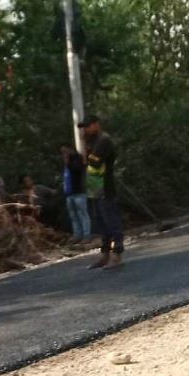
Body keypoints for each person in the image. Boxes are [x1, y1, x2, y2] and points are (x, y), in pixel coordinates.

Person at [79, 115, 124, 270]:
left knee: (111, 220)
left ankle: (117, 253)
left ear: (97, 124)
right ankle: (105, 254)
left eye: (88, 126)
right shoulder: (93, 141)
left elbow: (93, 162)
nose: (86, 130)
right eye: (84, 127)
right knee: (101, 222)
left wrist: (85, 148)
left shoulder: (104, 140)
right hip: (95, 187)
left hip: (105, 186)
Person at [60, 144, 90, 239]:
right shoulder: (66, 162)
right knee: (73, 216)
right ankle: (77, 234)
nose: (64, 154)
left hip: (79, 191)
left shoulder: (78, 158)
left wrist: (68, 162)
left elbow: (76, 170)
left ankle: (86, 235)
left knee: (82, 214)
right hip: (70, 192)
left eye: (65, 151)